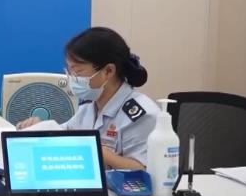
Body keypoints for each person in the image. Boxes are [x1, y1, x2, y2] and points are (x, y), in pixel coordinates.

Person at [17, 27, 158, 170]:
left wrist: (94, 148)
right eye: (69, 71)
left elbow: (144, 169)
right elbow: (64, 134)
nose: (72, 79)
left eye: (78, 72)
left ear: (108, 71)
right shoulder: (89, 107)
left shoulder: (141, 115)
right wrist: (40, 127)